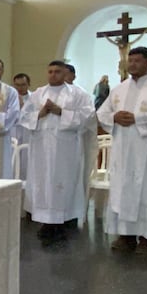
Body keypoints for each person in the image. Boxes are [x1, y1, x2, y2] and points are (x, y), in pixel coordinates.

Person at [97, 47, 147, 253]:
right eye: (130, 60)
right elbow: (103, 112)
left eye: (137, 61)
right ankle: (126, 236)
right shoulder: (119, 89)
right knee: (123, 190)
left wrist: (138, 119)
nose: (132, 64)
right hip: (123, 150)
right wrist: (114, 117)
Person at [19, 60, 95, 242]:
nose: (53, 75)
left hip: (66, 150)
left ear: (65, 74)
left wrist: (61, 111)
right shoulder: (38, 94)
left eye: (58, 72)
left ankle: (64, 222)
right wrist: (40, 113)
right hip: (41, 149)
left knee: (64, 182)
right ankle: (46, 223)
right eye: (50, 71)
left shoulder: (78, 94)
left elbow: (88, 116)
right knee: (43, 182)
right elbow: (23, 116)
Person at [64, 63, 99, 217]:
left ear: (73, 76)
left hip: (75, 144)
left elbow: (88, 117)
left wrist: (63, 115)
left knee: (75, 178)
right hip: (53, 147)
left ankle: (73, 213)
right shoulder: (48, 93)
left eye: (65, 74)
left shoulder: (82, 95)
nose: (61, 77)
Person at [11, 73, 32, 179]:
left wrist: (22, 106)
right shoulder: (9, 98)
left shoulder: (34, 98)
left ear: (28, 84)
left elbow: (36, 116)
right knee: (13, 160)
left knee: (26, 161)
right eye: (17, 85)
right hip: (13, 131)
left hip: (28, 133)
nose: (19, 88)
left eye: (23, 85)